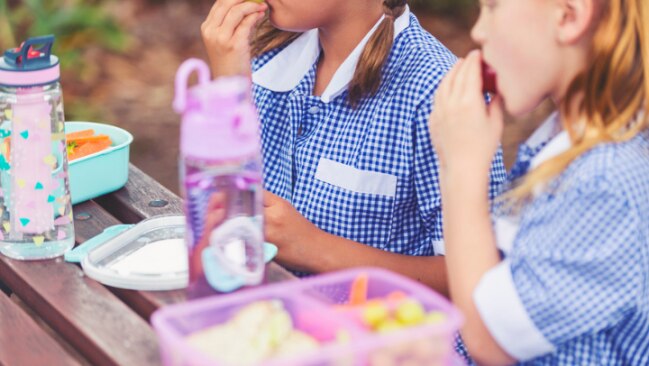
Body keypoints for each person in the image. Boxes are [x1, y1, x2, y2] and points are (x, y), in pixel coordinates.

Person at [201, 0, 507, 293]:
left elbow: (482, 281)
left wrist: (316, 248)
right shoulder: (260, 57)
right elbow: (218, 214)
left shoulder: (436, 94)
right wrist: (228, 86)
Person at [429, 0, 649, 363]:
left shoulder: (604, 183)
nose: (477, 32)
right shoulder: (568, 149)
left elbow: (489, 341)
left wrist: (463, 166)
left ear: (569, 16)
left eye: (493, 8)